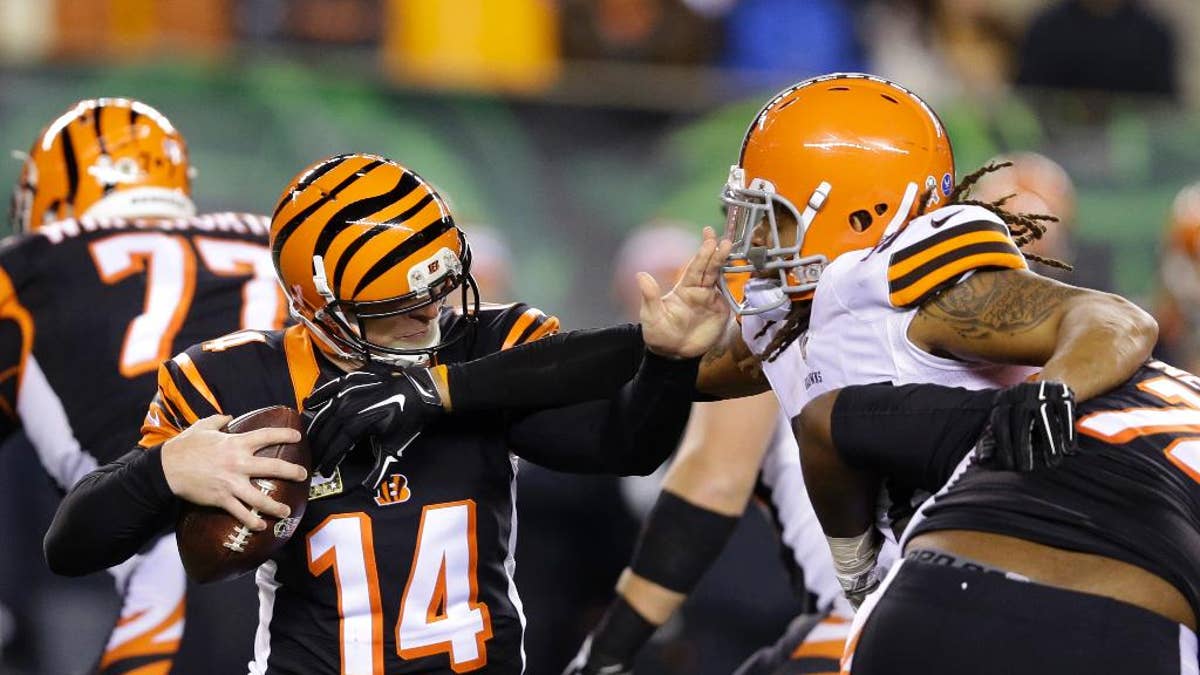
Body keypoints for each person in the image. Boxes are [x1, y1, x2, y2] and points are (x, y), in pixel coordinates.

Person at [45, 152, 736, 674]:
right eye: (396, 307)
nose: (430, 314)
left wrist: (667, 362)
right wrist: (161, 470)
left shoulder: (486, 344)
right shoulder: (235, 376)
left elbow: (624, 444)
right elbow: (72, 545)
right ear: (318, 309)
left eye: (438, 288)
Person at [570, 71, 1158, 670]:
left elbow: (713, 480)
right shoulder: (983, 319)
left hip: (891, 617)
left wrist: (608, 651)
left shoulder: (825, 315)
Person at [5, 97, 285, 674]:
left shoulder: (28, 270)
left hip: (192, 565)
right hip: (365, 566)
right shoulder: (277, 242)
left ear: (50, 199)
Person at [795, 363, 1198, 673]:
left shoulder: (1070, 385)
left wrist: (857, 576)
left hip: (920, 604)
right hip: (1106, 630)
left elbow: (821, 422)